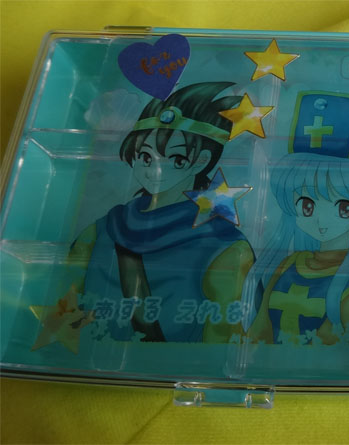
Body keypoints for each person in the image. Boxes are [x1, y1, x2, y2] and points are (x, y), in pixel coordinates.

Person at [58, 82, 254, 344]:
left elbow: (220, 343)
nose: (155, 170)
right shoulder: (102, 230)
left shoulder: (225, 246)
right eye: (146, 157)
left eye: (177, 160)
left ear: (202, 161)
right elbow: (63, 309)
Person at [243, 91, 349, 345]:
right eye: (307, 206)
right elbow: (259, 330)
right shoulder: (287, 265)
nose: (321, 221)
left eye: (344, 208)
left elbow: (336, 345)